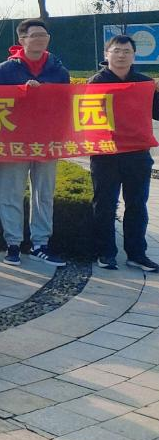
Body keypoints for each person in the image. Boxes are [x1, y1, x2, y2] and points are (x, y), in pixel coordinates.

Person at [0, 19, 71, 267]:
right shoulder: (5, 70)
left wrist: (45, 91)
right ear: (21, 40)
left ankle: (41, 244)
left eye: (44, 35)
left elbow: (65, 105)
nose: (40, 39)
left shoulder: (59, 71)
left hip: (47, 140)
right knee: (10, 192)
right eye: (34, 35)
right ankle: (13, 243)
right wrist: (20, 93)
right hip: (13, 142)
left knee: (44, 193)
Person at [89, 35, 159, 272]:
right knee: (105, 204)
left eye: (127, 51)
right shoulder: (94, 83)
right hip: (105, 154)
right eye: (116, 51)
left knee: (137, 204)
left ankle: (137, 254)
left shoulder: (144, 83)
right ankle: (105, 253)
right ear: (106, 55)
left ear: (134, 56)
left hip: (137, 153)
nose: (121, 55)